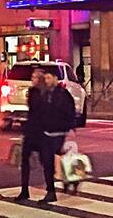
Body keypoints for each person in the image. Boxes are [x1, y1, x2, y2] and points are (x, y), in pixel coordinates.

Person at [37, 66, 77, 204]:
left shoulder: (63, 94)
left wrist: (71, 128)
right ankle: (52, 190)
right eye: (45, 78)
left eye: (49, 78)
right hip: (47, 133)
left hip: (60, 132)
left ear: (55, 78)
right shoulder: (44, 94)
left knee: (57, 158)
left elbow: (71, 111)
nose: (46, 81)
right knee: (47, 161)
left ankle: (68, 178)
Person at [17, 67, 47, 203]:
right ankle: (24, 190)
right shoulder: (33, 92)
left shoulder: (45, 93)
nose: (32, 80)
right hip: (31, 130)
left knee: (45, 162)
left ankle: (51, 189)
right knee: (24, 160)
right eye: (32, 77)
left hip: (41, 131)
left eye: (35, 77)